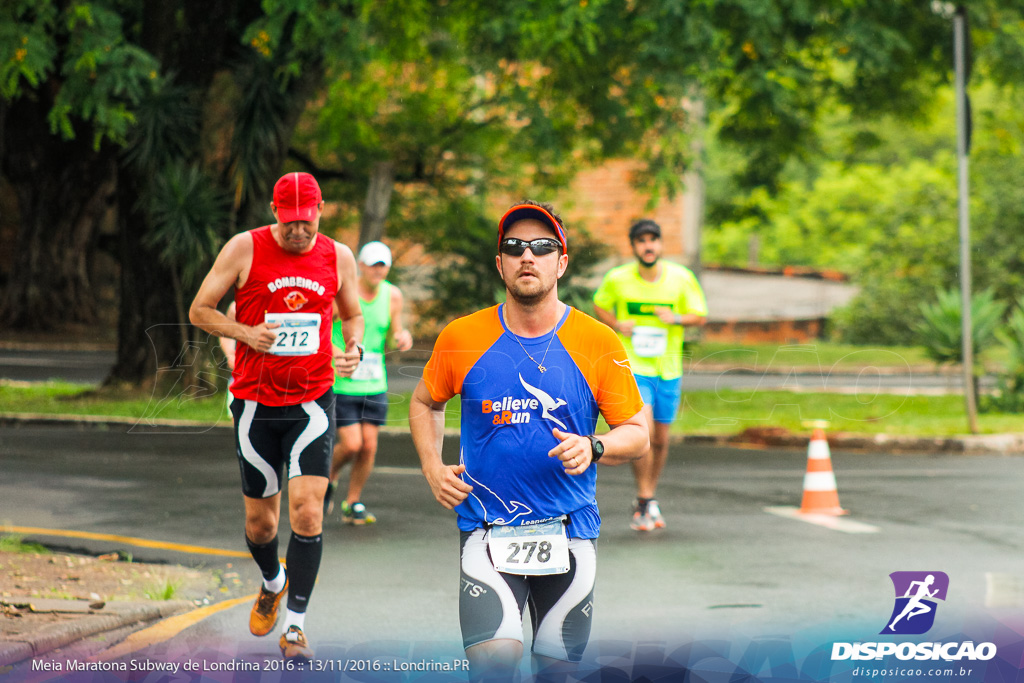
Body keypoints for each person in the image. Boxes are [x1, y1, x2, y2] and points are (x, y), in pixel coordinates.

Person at [408, 200, 648, 682]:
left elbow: (638, 433)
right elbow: (424, 402)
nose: (527, 257)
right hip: (486, 526)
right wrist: (432, 467)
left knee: (557, 672)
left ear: (561, 262)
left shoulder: (598, 342)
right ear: (500, 264)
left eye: (542, 247)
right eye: (514, 247)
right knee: (494, 663)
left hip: (569, 528)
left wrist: (594, 445)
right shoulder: (461, 336)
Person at [189, 171, 364, 660]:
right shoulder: (243, 249)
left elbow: (352, 315)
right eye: (290, 223)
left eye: (306, 223)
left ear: (320, 212)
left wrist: (353, 346)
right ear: (274, 212)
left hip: (313, 400)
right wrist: (245, 334)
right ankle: (272, 580)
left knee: (307, 511)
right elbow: (200, 310)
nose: (298, 232)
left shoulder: (338, 256)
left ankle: (296, 627)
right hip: (255, 404)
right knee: (262, 526)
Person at [592, 219, 707, 532]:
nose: (648, 246)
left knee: (660, 438)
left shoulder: (681, 278)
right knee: (641, 431)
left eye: (653, 240)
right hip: (635, 368)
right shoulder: (618, 279)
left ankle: (649, 494)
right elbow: (599, 304)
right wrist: (617, 323)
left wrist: (676, 318)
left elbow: (700, 314)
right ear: (633, 247)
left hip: (668, 368)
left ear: (660, 245)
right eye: (641, 241)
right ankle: (643, 498)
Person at [324, 240, 413, 525]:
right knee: (351, 445)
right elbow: (322, 331)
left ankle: (353, 502)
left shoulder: (393, 296)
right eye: (372, 265)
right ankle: (329, 478)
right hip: (343, 382)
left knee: (369, 447)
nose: (377, 270)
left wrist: (403, 338)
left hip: (375, 383)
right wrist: (337, 353)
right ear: (360, 266)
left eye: (382, 265)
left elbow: (395, 332)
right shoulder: (344, 294)